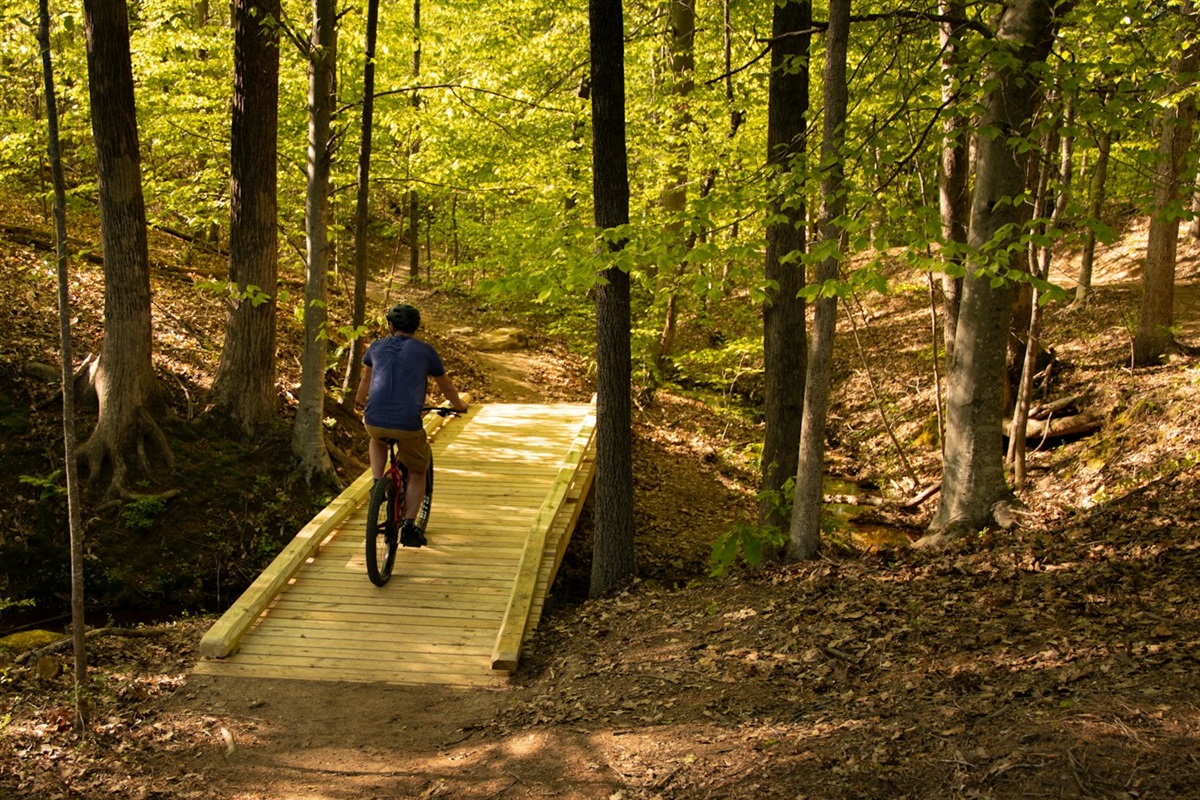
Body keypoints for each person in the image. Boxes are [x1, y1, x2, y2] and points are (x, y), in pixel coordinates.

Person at [355, 303, 468, 547]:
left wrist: (360, 401)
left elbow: (366, 379)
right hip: (407, 424)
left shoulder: (376, 346)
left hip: (374, 419)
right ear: (416, 327)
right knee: (418, 470)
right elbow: (446, 387)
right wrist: (459, 406)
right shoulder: (426, 351)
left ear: (390, 325)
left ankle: (377, 482)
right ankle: (408, 526)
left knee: (376, 437)